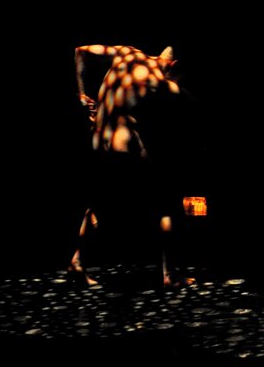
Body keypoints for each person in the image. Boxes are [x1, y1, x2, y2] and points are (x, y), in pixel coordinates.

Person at [68, 44, 188, 287]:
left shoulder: (127, 52)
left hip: (98, 141)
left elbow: (80, 51)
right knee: (165, 201)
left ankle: (77, 261)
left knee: (100, 203)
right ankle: (170, 275)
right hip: (123, 144)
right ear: (173, 66)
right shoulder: (161, 83)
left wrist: (82, 94)